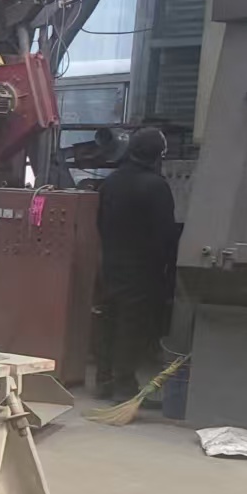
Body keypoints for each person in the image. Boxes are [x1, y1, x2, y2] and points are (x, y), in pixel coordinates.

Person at [94, 127, 178, 402]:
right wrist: (166, 271)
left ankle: (104, 380)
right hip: (142, 269)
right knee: (132, 326)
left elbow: (100, 223)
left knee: (109, 320)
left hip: (110, 264)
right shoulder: (156, 186)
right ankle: (124, 387)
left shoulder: (110, 183)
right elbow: (165, 235)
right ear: (157, 155)